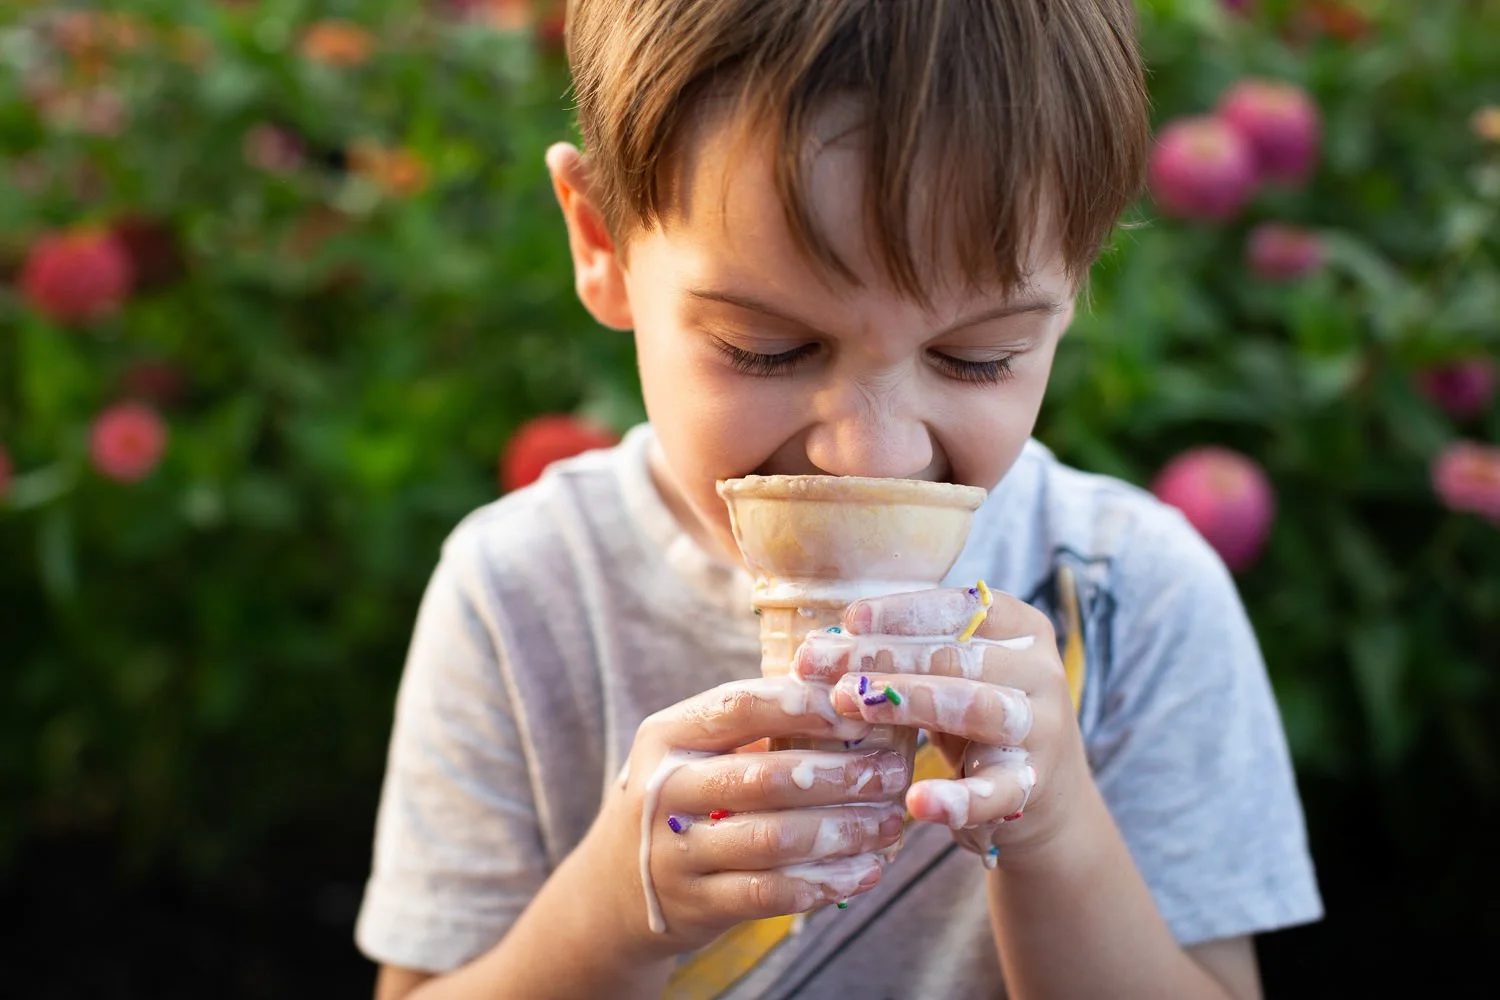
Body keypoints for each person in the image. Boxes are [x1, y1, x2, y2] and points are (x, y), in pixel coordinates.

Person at [354, 1, 1323, 997]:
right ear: (602, 243)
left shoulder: (1131, 599)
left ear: (1074, 285)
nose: (873, 450)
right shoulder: (522, 595)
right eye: (767, 348)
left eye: (975, 357)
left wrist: (1061, 833)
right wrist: (612, 911)